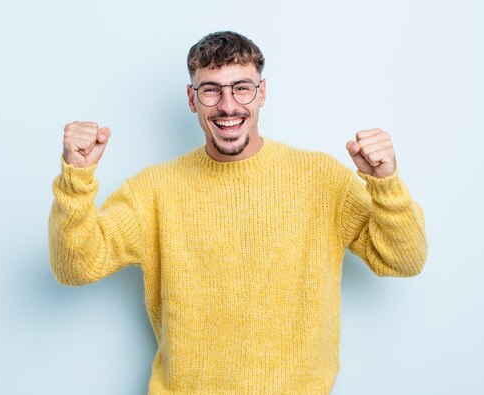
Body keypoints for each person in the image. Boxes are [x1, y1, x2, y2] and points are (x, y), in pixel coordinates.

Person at [49, 31, 427, 394]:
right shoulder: (153, 191)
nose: (228, 105)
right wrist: (76, 177)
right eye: (211, 90)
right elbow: (75, 267)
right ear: (191, 98)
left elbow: (404, 259)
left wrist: (386, 182)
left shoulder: (321, 179)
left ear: (261, 93)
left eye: (241, 88)